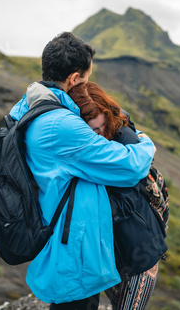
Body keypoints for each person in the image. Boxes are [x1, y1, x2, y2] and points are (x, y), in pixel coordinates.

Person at [9, 32, 156, 309]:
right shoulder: (61, 126)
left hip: (61, 235)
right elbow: (128, 166)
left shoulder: (31, 104)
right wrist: (146, 142)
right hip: (72, 250)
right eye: (85, 80)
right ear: (74, 79)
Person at [68, 82, 168, 310]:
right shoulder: (82, 145)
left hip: (139, 254)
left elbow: (128, 200)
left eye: (101, 126)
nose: (99, 134)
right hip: (108, 253)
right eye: (91, 130)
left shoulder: (126, 140)